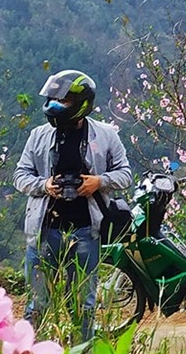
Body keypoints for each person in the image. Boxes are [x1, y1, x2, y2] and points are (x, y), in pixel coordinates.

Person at [14, 68, 131, 338]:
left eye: (63, 102)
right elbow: (20, 176)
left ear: (81, 104)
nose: (55, 107)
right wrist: (44, 186)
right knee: (38, 303)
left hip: (86, 231)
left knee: (83, 304)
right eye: (53, 101)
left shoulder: (106, 135)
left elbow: (125, 174)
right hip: (45, 231)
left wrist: (98, 182)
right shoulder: (38, 135)